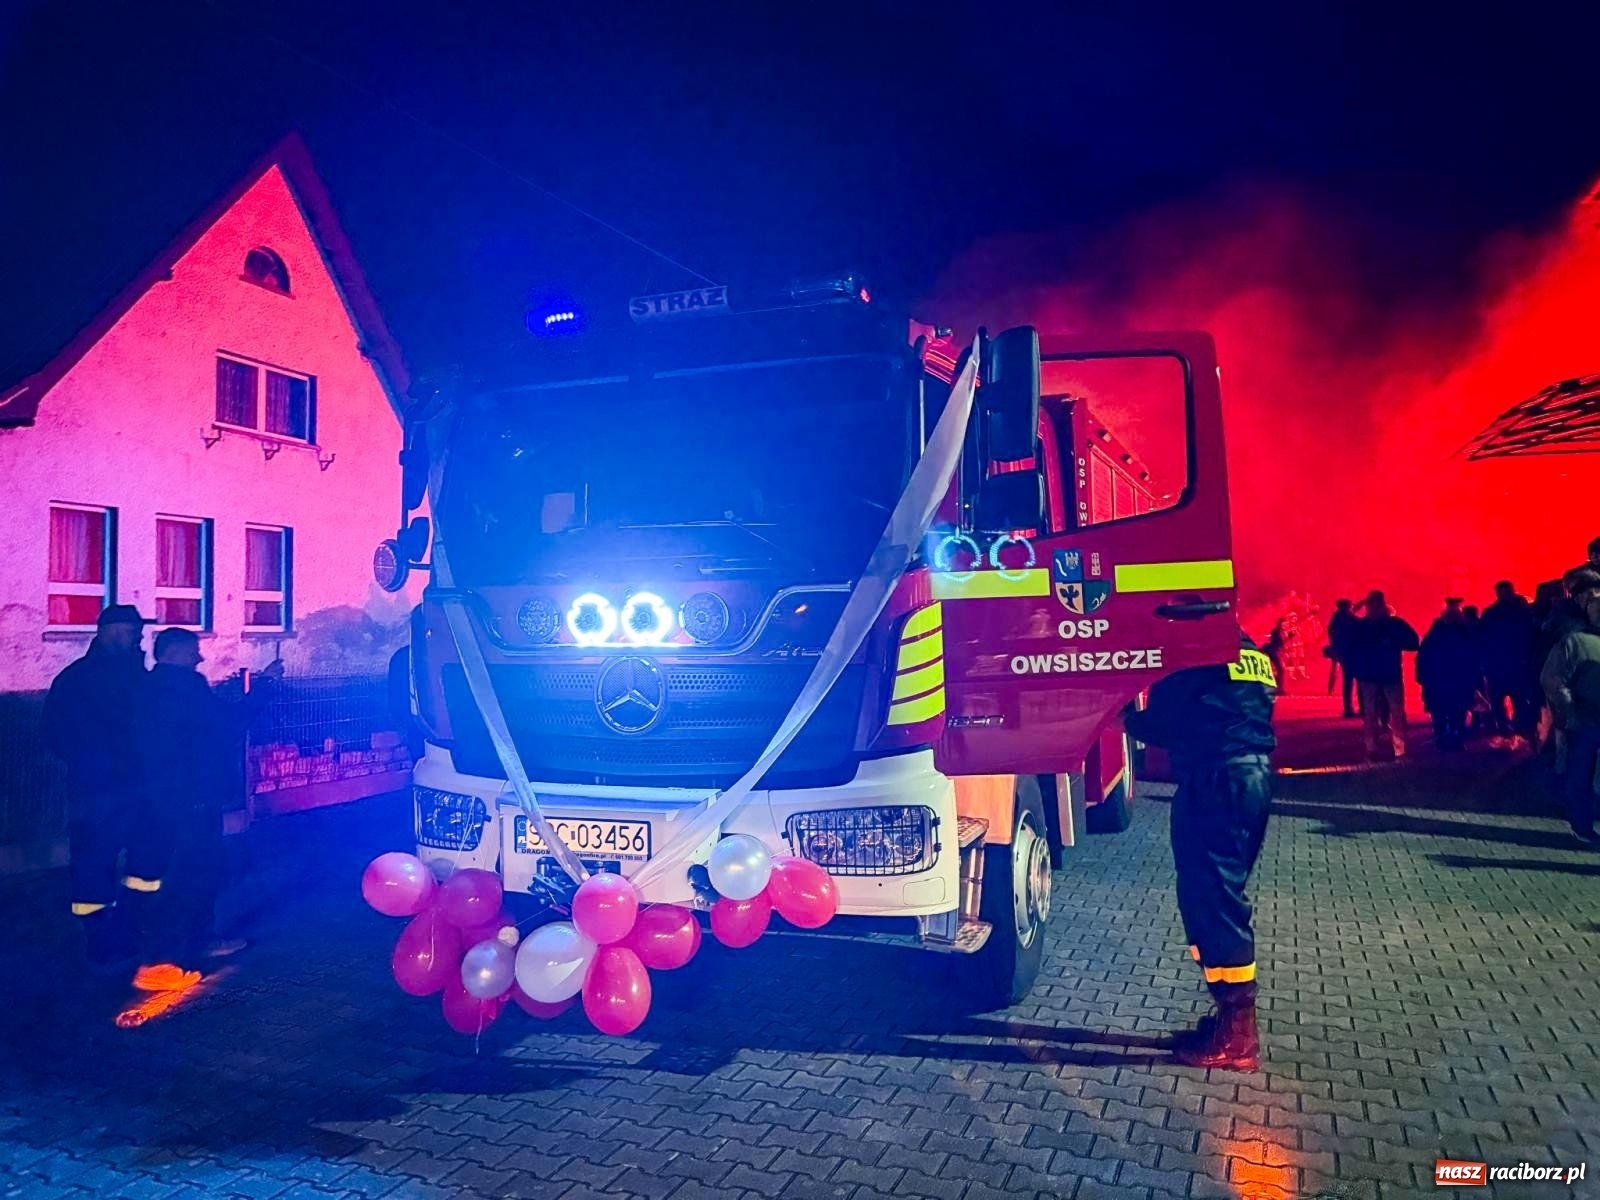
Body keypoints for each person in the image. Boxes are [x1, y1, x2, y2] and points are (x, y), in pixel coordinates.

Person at [1124, 632, 1276, 1072]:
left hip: (1217, 780)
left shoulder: (1195, 651)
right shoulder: (1250, 651)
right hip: (1252, 777)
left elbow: (1165, 724)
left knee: (1213, 901)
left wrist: (1119, 716)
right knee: (1218, 894)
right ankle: (1228, 1018)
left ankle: (1239, 1035)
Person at [130, 629, 281, 989]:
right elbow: (227, 725)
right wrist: (265, 688)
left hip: (161, 798)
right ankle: (166, 958)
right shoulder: (185, 688)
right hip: (193, 799)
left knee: (180, 871)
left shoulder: (147, 689)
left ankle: (191, 942)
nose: (199, 658)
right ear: (176, 652)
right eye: (193, 651)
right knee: (194, 872)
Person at [42, 605, 153, 972]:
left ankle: (125, 930)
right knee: (94, 863)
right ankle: (101, 941)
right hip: (98, 792)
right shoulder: (79, 680)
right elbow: (56, 733)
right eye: (132, 629)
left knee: (141, 860)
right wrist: (94, 764)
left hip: (131, 788)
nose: (139, 636)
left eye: (139, 630)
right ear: (107, 631)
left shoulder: (134, 677)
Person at [1540, 587, 1600, 846]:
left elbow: (1554, 680)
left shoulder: (1575, 641)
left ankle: (1583, 824)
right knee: (1581, 773)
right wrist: (1570, 711)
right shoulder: (1575, 642)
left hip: (1583, 718)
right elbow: (1553, 679)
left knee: (1582, 773)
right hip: (1585, 719)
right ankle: (1581, 825)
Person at [1346, 590, 1421, 760]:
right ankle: (1397, 748)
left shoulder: (1364, 626)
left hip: (1373, 674)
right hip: (1387, 673)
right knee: (1393, 711)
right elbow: (1414, 641)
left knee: (1375, 712)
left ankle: (1374, 748)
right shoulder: (1392, 624)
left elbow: (1349, 639)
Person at [1480, 580, 1538, 745]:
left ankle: (1510, 730)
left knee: (1506, 700)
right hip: (1513, 663)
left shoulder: (1492, 614)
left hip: (1503, 665)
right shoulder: (1522, 612)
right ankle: (1515, 730)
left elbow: (1482, 640)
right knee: (1516, 699)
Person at [1417, 599, 1478, 751]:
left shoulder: (1436, 634)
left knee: (1444, 713)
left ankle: (1446, 740)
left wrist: (1423, 677)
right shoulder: (1464, 634)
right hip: (1452, 681)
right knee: (1453, 713)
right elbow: (1473, 657)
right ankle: (1453, 740)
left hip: (1443, 681)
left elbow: (1423, 657)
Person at [1325, 598, 1361, 718]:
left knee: (1347, 680)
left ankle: (1348, 707)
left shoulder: (1336, 618)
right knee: (1357, 679)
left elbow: (1331, 632)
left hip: (1341, 651)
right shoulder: (1347, 618)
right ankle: (1357, 708)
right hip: (1351, 652)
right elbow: (1359, 624)